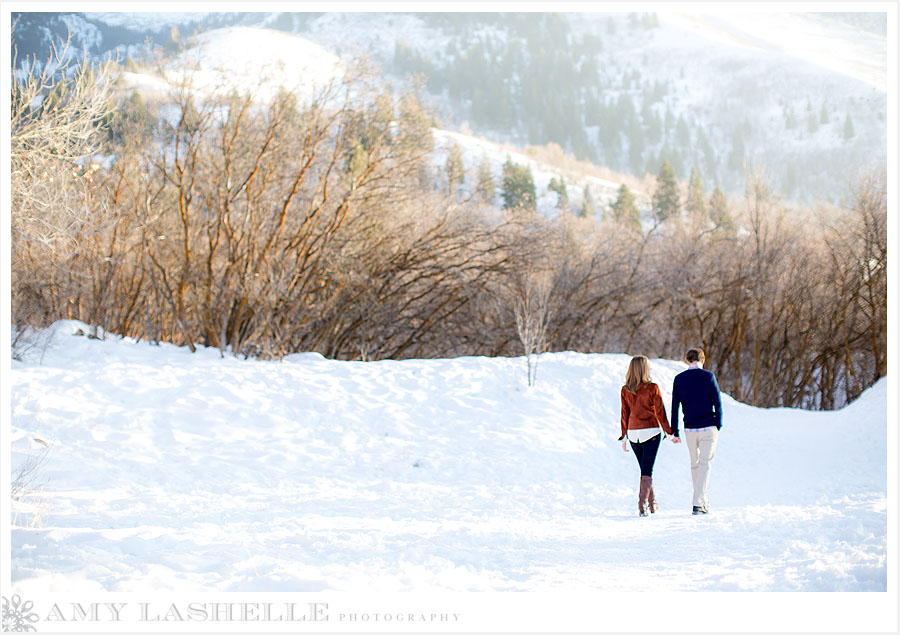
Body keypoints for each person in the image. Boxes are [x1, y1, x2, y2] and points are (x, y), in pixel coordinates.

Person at [619, 355, 678, 517]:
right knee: (647, 470)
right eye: (648, 366)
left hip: (633, 434)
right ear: (644, 369)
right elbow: (660, 412)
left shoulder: (625, 389)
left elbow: (624, 415)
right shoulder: (652, 387)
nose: (650, 368)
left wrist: (624, 437)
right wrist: (669, 432)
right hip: (651, 432)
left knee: (645, 469)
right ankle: (642, 504)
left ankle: (652, 503)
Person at [671, 348, 723, 515]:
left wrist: (674, 430)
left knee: (695, 465)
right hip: (708, 426)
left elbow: (674, 407)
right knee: (705, 464)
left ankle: (701, 501)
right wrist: (719, 424)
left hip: (690, 428)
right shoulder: (708, 377)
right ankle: (698, 503)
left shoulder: (679, 379)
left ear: (687, 360)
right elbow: (718, 402)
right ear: (703, 359)